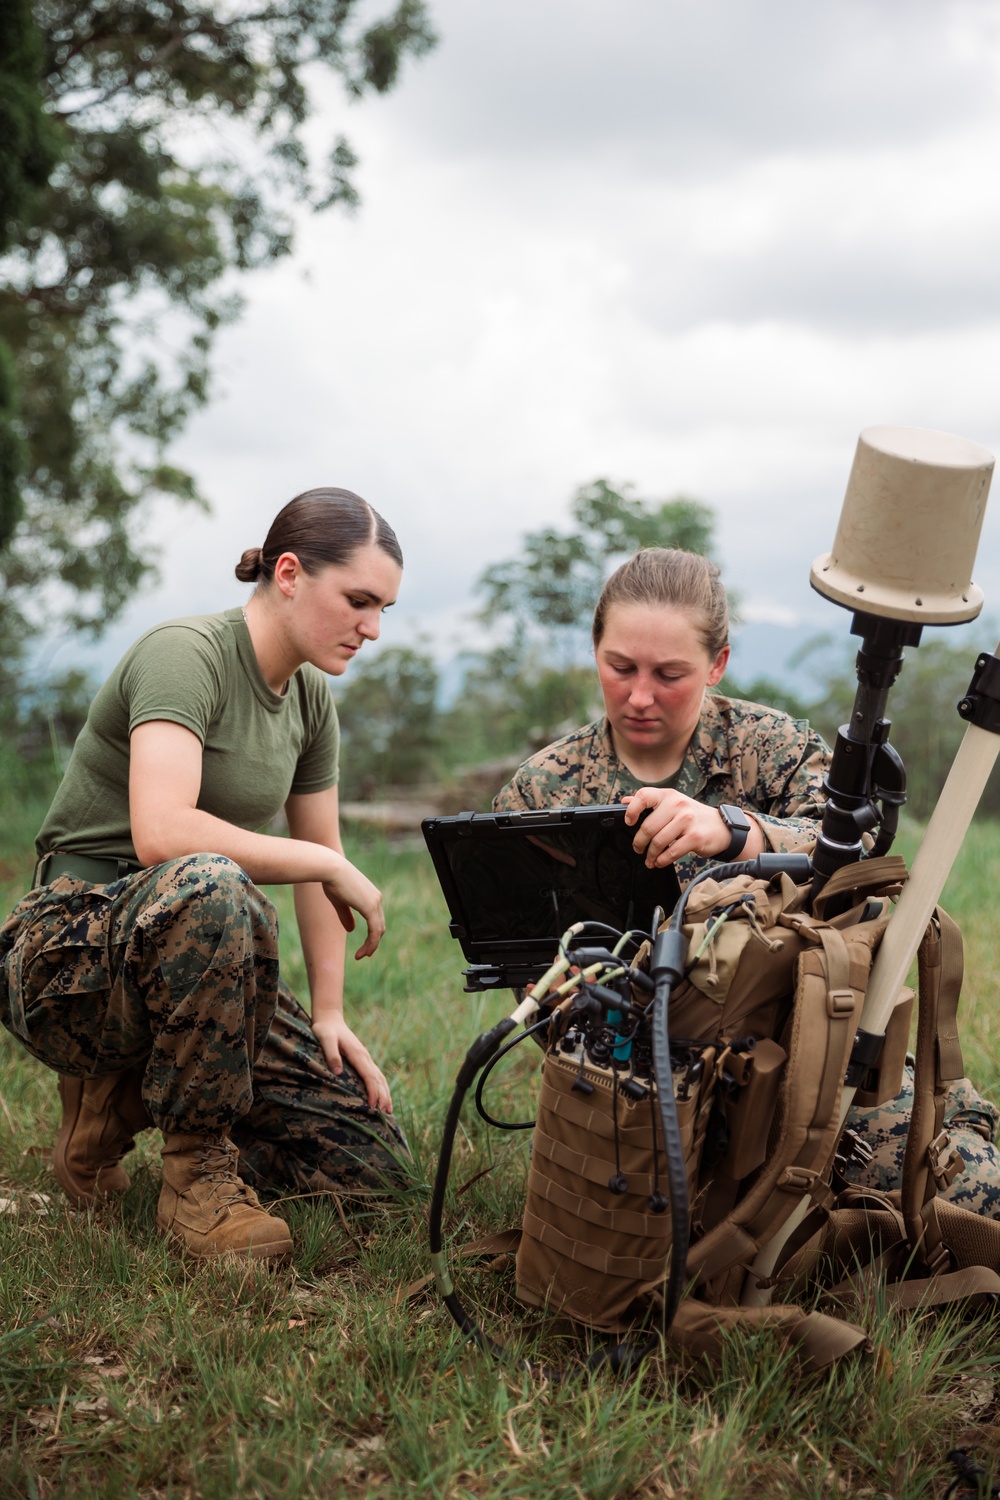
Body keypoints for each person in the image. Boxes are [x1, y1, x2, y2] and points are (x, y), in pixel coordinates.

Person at [494, 546, 1000, 1218]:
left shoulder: (774, 747)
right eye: (620, 668)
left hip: (794, 1048)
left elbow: (857, 850)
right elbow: (519, 954)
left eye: (670, 674)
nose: (639, 696)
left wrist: (738, 833)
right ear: (596, 654)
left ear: (717, 664)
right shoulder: (539, 791)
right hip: (633, 1072)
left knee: (964, 1194)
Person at [0, 486, 411, 1260]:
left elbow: (320, 880)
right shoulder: (185, 654)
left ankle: (126, 1103)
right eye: (359, 601)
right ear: (289, 574)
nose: (374, 628)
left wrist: (328, 1014)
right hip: (67, 958)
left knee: (368, 1163)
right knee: (215, 883)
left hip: (195, 959)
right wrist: (328, 861)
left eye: (384, 607)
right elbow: (163, 833)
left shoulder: (310, 700)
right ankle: (195, 1182)